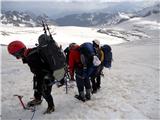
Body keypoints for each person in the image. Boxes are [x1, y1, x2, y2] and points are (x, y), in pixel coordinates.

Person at [8, 40, 55, 114]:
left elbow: (40, 73)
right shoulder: (30, 53)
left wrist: (39, 86)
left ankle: (51, 106)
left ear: (18, 52)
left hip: (47, 75)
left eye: (14, 54)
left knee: (45, 91)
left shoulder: (32, 57)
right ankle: (38, 99)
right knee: (37, 85)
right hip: (42, 74)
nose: (16, 56)